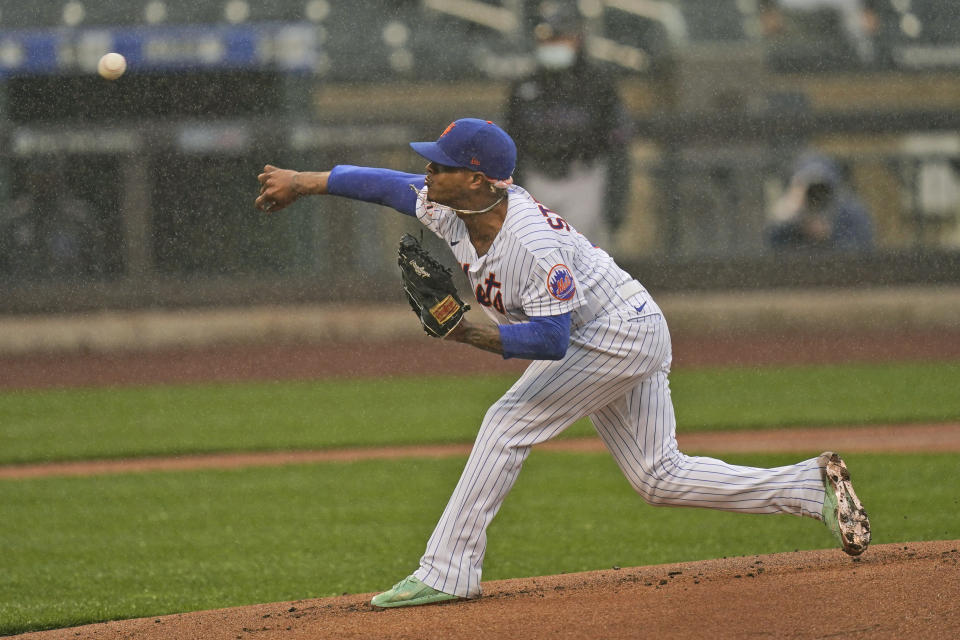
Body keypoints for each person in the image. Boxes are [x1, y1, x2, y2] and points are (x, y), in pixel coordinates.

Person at [255, 118, 871, 608]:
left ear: (477, 180)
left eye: (440, 163)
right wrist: (303, 182)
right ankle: (804, 487)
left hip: (618, 333)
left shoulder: (529, 243)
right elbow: (385, 185)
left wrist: (465, 334)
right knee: (657, 476)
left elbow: (550, 342)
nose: (427, 169)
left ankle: (449, 570)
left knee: (505, 424)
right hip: (619, 326)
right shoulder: (452, 205)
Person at [503, 2, 632, 250]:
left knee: (584, 262)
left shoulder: (598, 85)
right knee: (538, 263)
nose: (553, 44)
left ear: (577, 38)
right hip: (536, 179)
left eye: (561, 37)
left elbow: (617, 145)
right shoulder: (524, 86)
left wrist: (616, 202)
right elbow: (511, 143)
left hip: (583, 179)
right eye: (547, 38)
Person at [766, 152, 875, 251]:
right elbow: (771, 249)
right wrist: (789, 217)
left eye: (823, 188)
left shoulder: (850, 214)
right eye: (810, 187)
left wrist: (830, 235)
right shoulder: (790, 214)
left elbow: (862, 254)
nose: (816, 194)